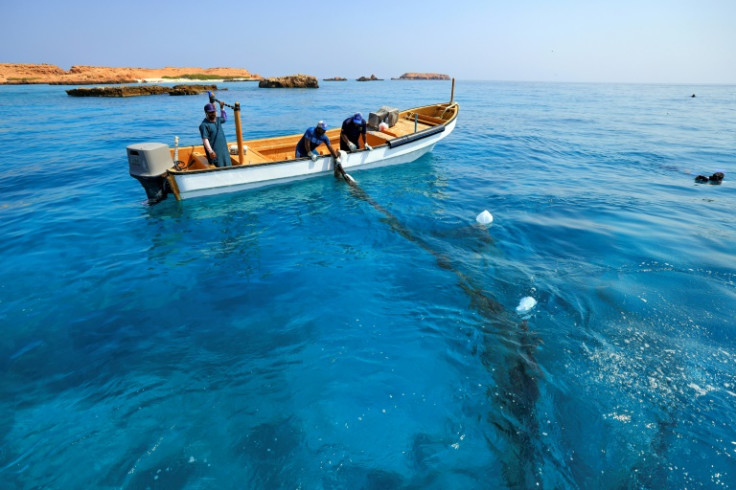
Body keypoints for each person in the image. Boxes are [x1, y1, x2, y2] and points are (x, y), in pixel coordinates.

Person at [199, 102, 232, 167]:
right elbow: (205, 139)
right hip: (215, 152)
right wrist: (210, 151)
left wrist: (222, 108)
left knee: (228, 165)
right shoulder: (204, 125)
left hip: (224, 150)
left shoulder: (218, 120)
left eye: (214, 112)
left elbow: (224, 119)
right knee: (218, 166)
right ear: (206, 113)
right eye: (210, 112)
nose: (213, 114)